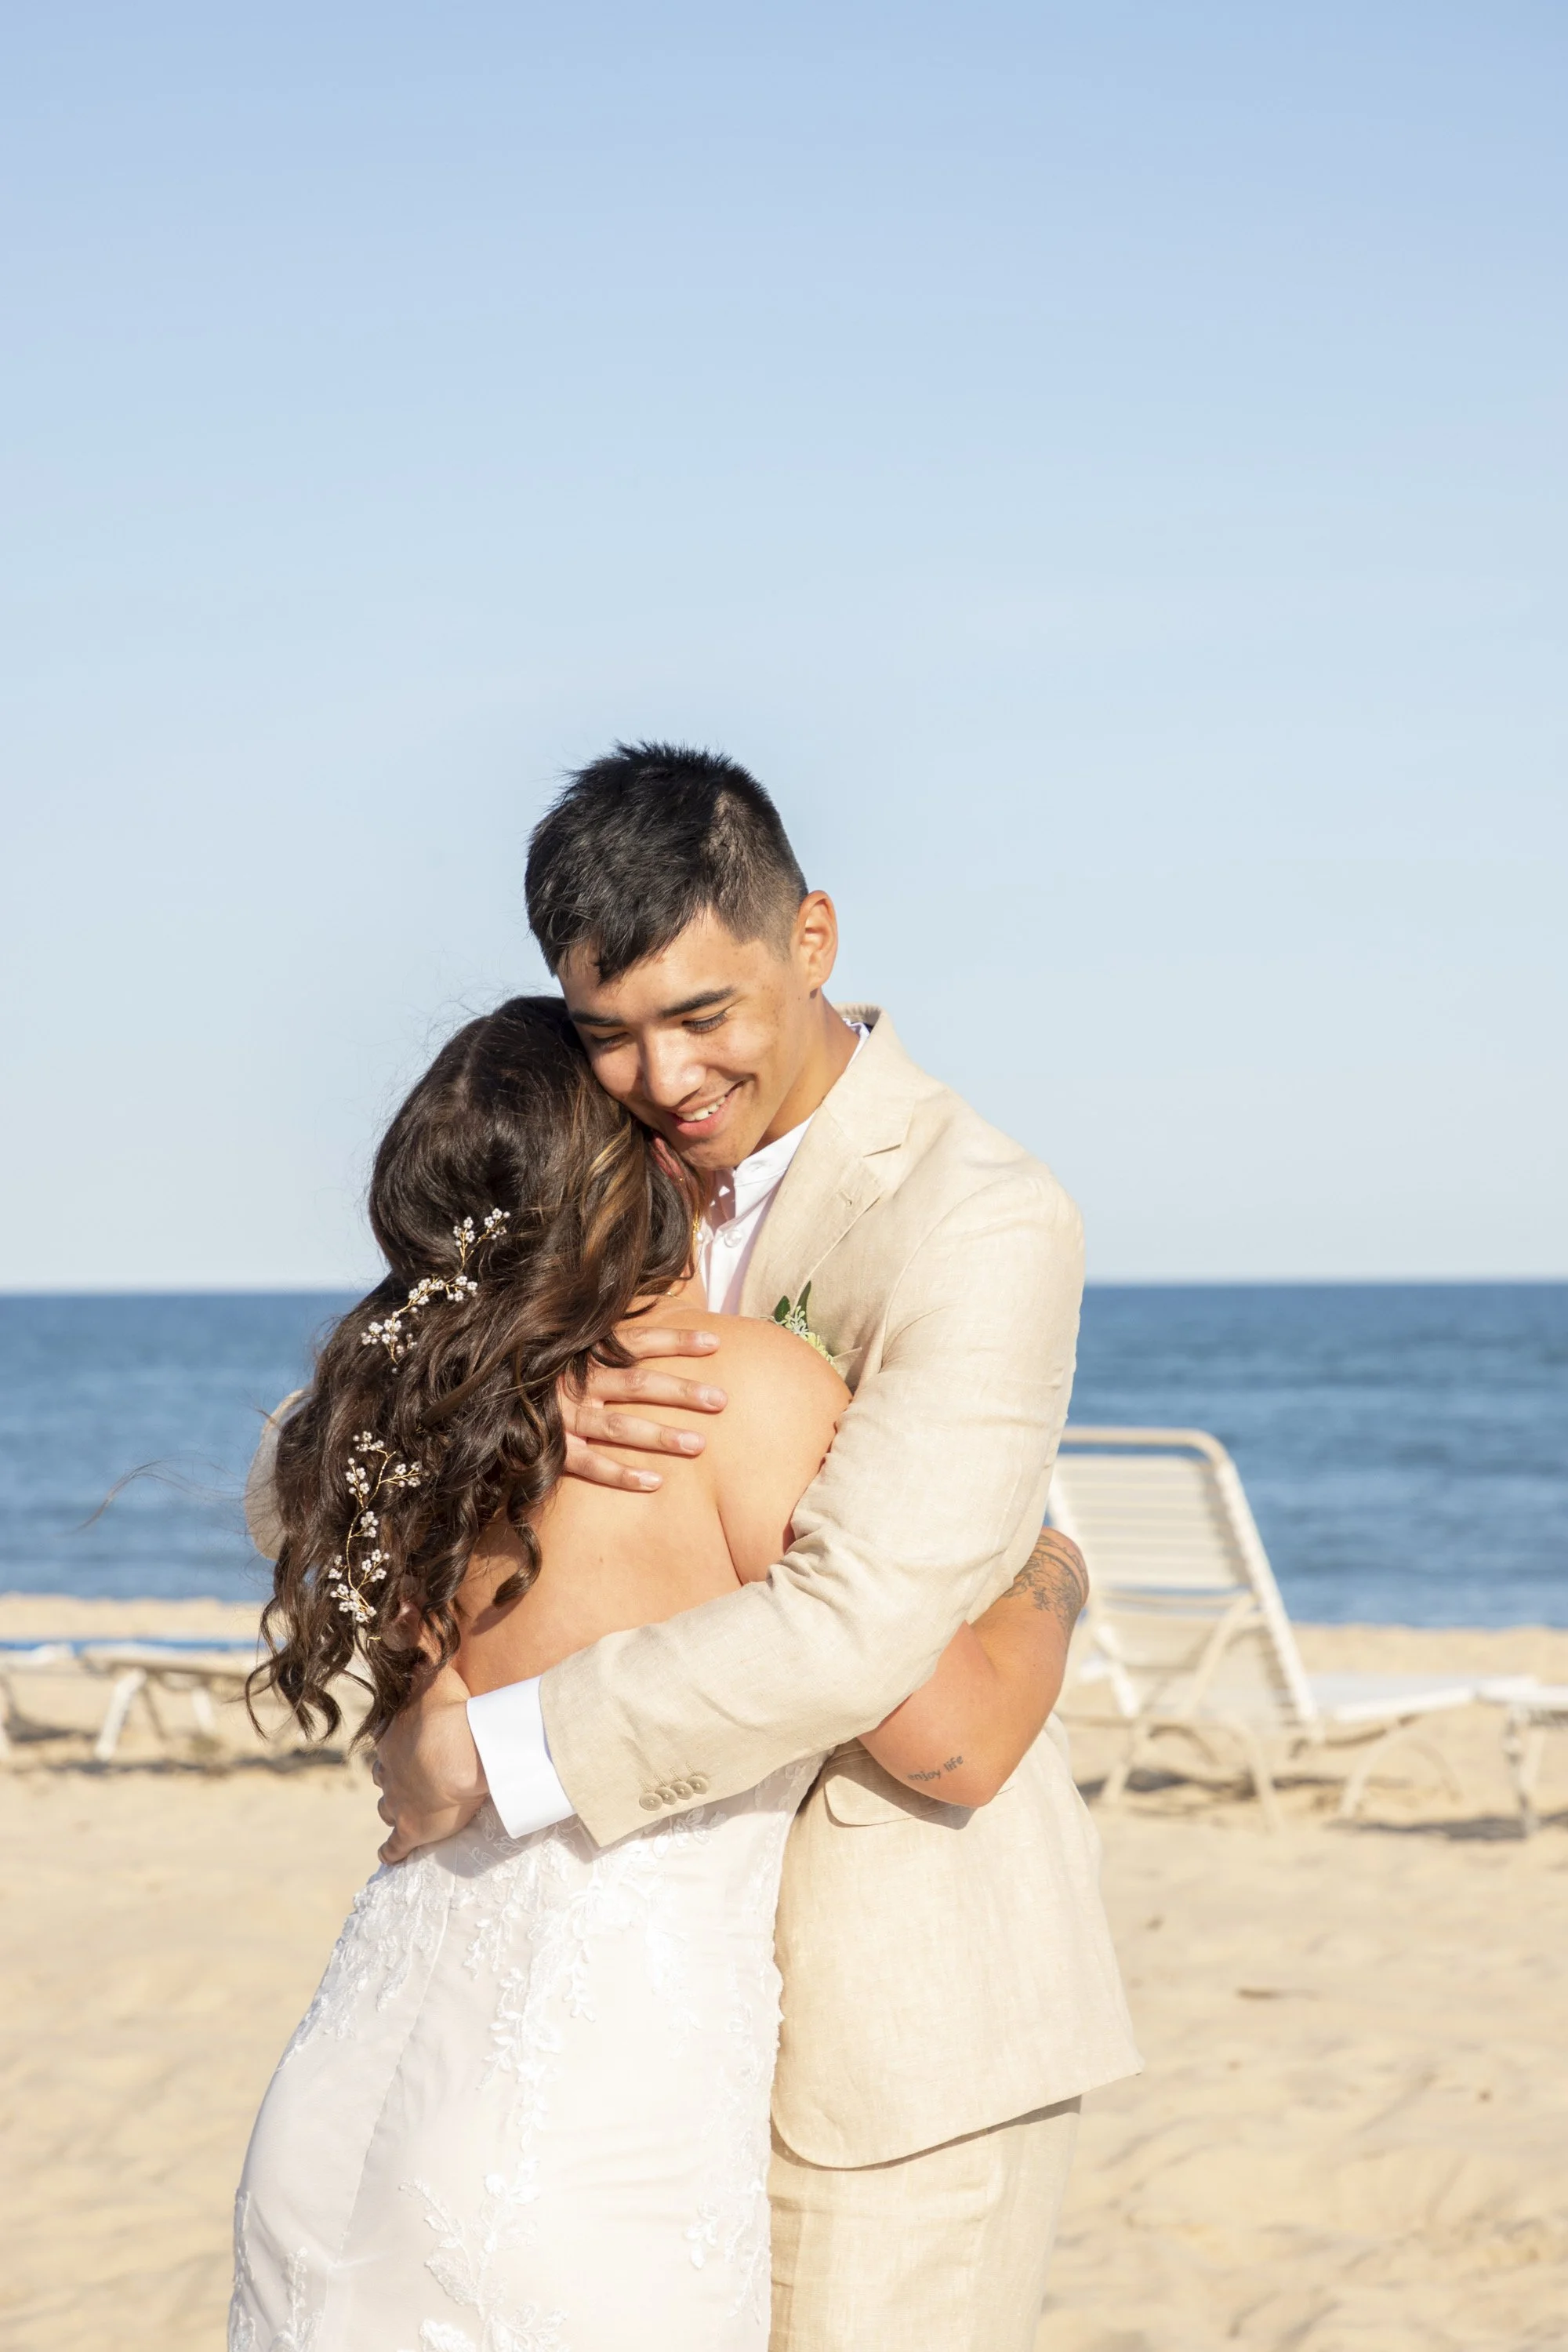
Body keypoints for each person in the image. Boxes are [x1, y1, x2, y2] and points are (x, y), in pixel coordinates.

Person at [253, 742, 1138, 2352]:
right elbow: (346, 1443)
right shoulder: (587, 1167)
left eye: (701, 1015)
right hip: (614, 2039)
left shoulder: (979, 1216)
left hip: (886, 2044)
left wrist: (491, 1752)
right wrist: (519, 1390)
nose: (662, 1078)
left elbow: (863, 1624)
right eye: (610, 1033)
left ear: (812, 941)